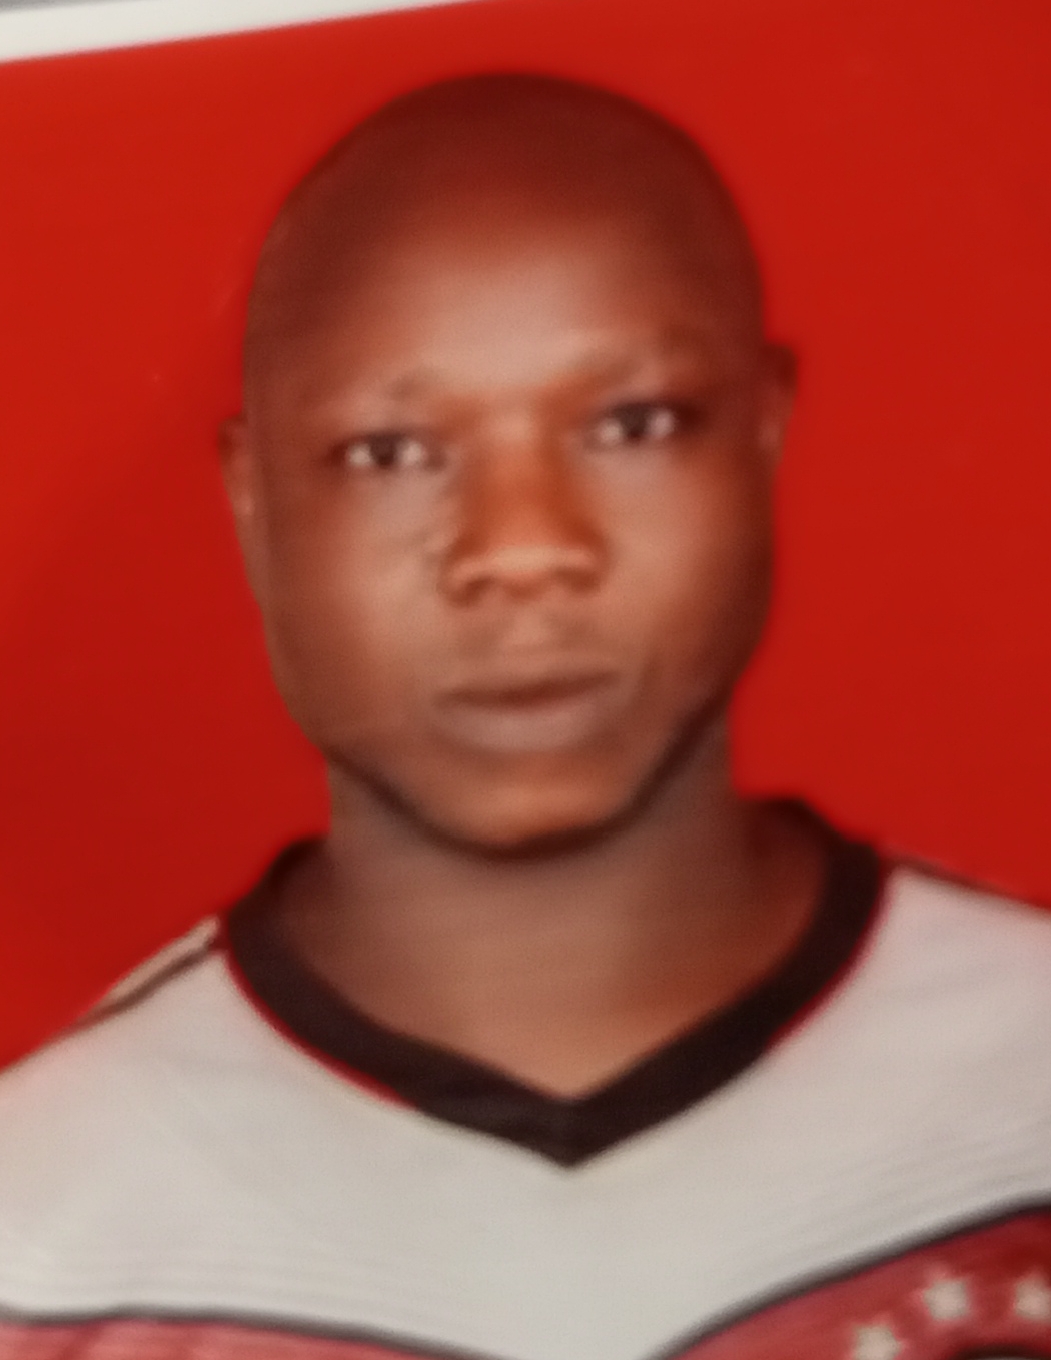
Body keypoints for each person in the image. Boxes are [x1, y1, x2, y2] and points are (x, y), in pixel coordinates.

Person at [0, 71, 1049, 1360]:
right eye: (391, 452)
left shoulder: (1027, 1084)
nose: (521, 547)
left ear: (764, 434)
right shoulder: (41, 1239)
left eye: (631, 424)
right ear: (254, 503)